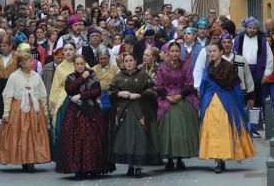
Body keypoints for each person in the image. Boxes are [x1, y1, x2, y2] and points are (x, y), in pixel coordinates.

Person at [199, 42, 256, 173]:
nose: (211, 53)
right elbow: (203, 86)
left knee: (223, 131)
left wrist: (239, 104)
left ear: (221, 52)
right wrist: (202, 102)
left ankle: (222, 158)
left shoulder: (229, 68)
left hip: (226, 103)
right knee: (213, 131)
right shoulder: (208, 68)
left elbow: (236, 87)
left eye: (214, 51)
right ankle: (218, 160)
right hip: (210, 103)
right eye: (210, 51)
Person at [56, 55, 114, 176]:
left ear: (85, 63)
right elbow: (70, 89)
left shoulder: (92, 75)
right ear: (74, 65)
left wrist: (81, 96)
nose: (80, 66)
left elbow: (96, 91)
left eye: (82, 63)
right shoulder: (70, 77)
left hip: (91, 111)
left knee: (92, 138)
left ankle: (93, 167)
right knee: (76, 139)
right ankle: (78, 168)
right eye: (77, 64)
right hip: (74, 112)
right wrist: (82, 78)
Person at [0, 52, 51, 172]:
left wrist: (45, 110)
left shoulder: (36, 76)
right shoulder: (14, 76)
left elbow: (42, 95)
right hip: (18, 109)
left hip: (34, 109)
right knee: (21, 134)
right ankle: (23, 159)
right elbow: (8, 95)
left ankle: (31, 160)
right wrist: (6, 113)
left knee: (33, 134)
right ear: (22, 64)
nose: (33, 63)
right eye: (30, 61)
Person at [109, 53, 160, 177]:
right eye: (126, 61)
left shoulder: (143, 75)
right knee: (127, 138)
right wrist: (120, 93)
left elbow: (152, 90)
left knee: (139, 138)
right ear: (123, 63)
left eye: (131, 60)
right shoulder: (119, 77)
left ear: (135, 61)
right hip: (123, 112)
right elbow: (111, 92)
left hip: (140, 111)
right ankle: (130, 166)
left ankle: (138, 166)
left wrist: (140, 95)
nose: (128, 63)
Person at [155, 42, 199, 171]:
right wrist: (167, 96)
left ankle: (180, 159)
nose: (174, 54)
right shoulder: (162, 67)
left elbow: (190, 84)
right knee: (166, 130)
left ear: (180, 52)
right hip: (166, 98)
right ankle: (169, 159)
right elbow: (158, 85)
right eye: (172, 51)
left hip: (183, 97)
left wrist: (180, 96)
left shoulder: (185, 65)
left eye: (177, 51)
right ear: (168, 52)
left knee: (181, 129)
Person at [233, 16, 274, 137]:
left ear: (257, 29)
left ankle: (253, 128)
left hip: (257, 75)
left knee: (256, 103)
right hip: (239, 74)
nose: (252, 30)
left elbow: (270, 59)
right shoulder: (237, 40)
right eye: (250, 28)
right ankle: (240, 127)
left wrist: (266, 75)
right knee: (240, 100)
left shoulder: (262, 41)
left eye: (254, 28)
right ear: (245, 28)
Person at [49, 42, 77, 160]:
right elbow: (55, 87)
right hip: (64, 100)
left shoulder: (81, 64)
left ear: (75, 51)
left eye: (71, 49)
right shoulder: (60, 68)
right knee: (63, 128)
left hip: (80, 98)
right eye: (66, 50)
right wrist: (53, 105)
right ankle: (64, 157)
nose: (68, 52)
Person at [0, 36, 18, 127]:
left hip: (13, 87)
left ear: (11, 45)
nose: (2, 48)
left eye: (4, 46)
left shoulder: (17, 57)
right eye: (0, 46)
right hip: (0, 88)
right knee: (0, 114)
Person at [92, 46, 118, 114]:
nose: (103, 60)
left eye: (105, 58)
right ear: (97, 58)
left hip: (111, 97)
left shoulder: (115, 69)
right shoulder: (92, 70)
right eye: (101, 58)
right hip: (97, 97)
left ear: (109, 58)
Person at [42, 47, 65, 114]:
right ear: (53, 57)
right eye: (58, 58)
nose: (60, 60)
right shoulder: (46, 68)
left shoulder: (66, 68)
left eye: (62, 57)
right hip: (49, 94)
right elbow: (43, 81)